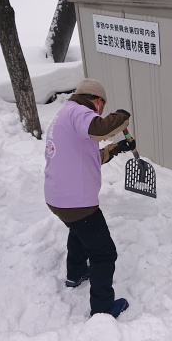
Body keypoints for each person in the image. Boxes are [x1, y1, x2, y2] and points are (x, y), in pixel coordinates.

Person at [44, 78, 135, 319]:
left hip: (59, 199)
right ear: (97, 101)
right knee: (104, 253)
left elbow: (89, 155)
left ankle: (75, 274)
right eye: (102, 107)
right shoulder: (79, 112)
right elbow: (100, 128)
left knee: (79, 231)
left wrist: (117, 148)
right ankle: (103, 308)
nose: (101, 112)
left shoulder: (66, 115)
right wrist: (122, 116)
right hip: (76, 202)